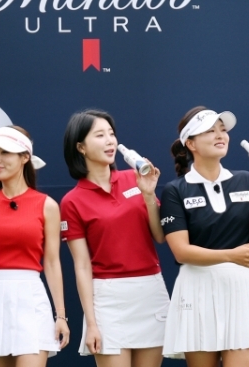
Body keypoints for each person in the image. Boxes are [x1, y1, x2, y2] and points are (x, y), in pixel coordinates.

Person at [159, 107, 249, 366]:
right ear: (191, 143)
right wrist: (232, 256)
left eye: (222, 130)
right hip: (197, 290)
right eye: (210, 131)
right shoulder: (175, 190)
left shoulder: (247, 180)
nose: (220, 135)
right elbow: (181, 251)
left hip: (242, 289)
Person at [60, 110, 169, 367]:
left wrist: (148, 195)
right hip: (108, 299)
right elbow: (82, 265)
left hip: (150, 291)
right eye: (100, 135)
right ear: (81, 147)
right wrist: (91, 322)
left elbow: (160, 236)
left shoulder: (135, 178)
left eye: (111, 134)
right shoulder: (72, 201)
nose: (110, 141)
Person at [0, 126, 69, 364]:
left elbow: (52, 262)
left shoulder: (47, 205)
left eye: (5, 152)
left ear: (25, 157)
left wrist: (61, 316)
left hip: (30, 298)